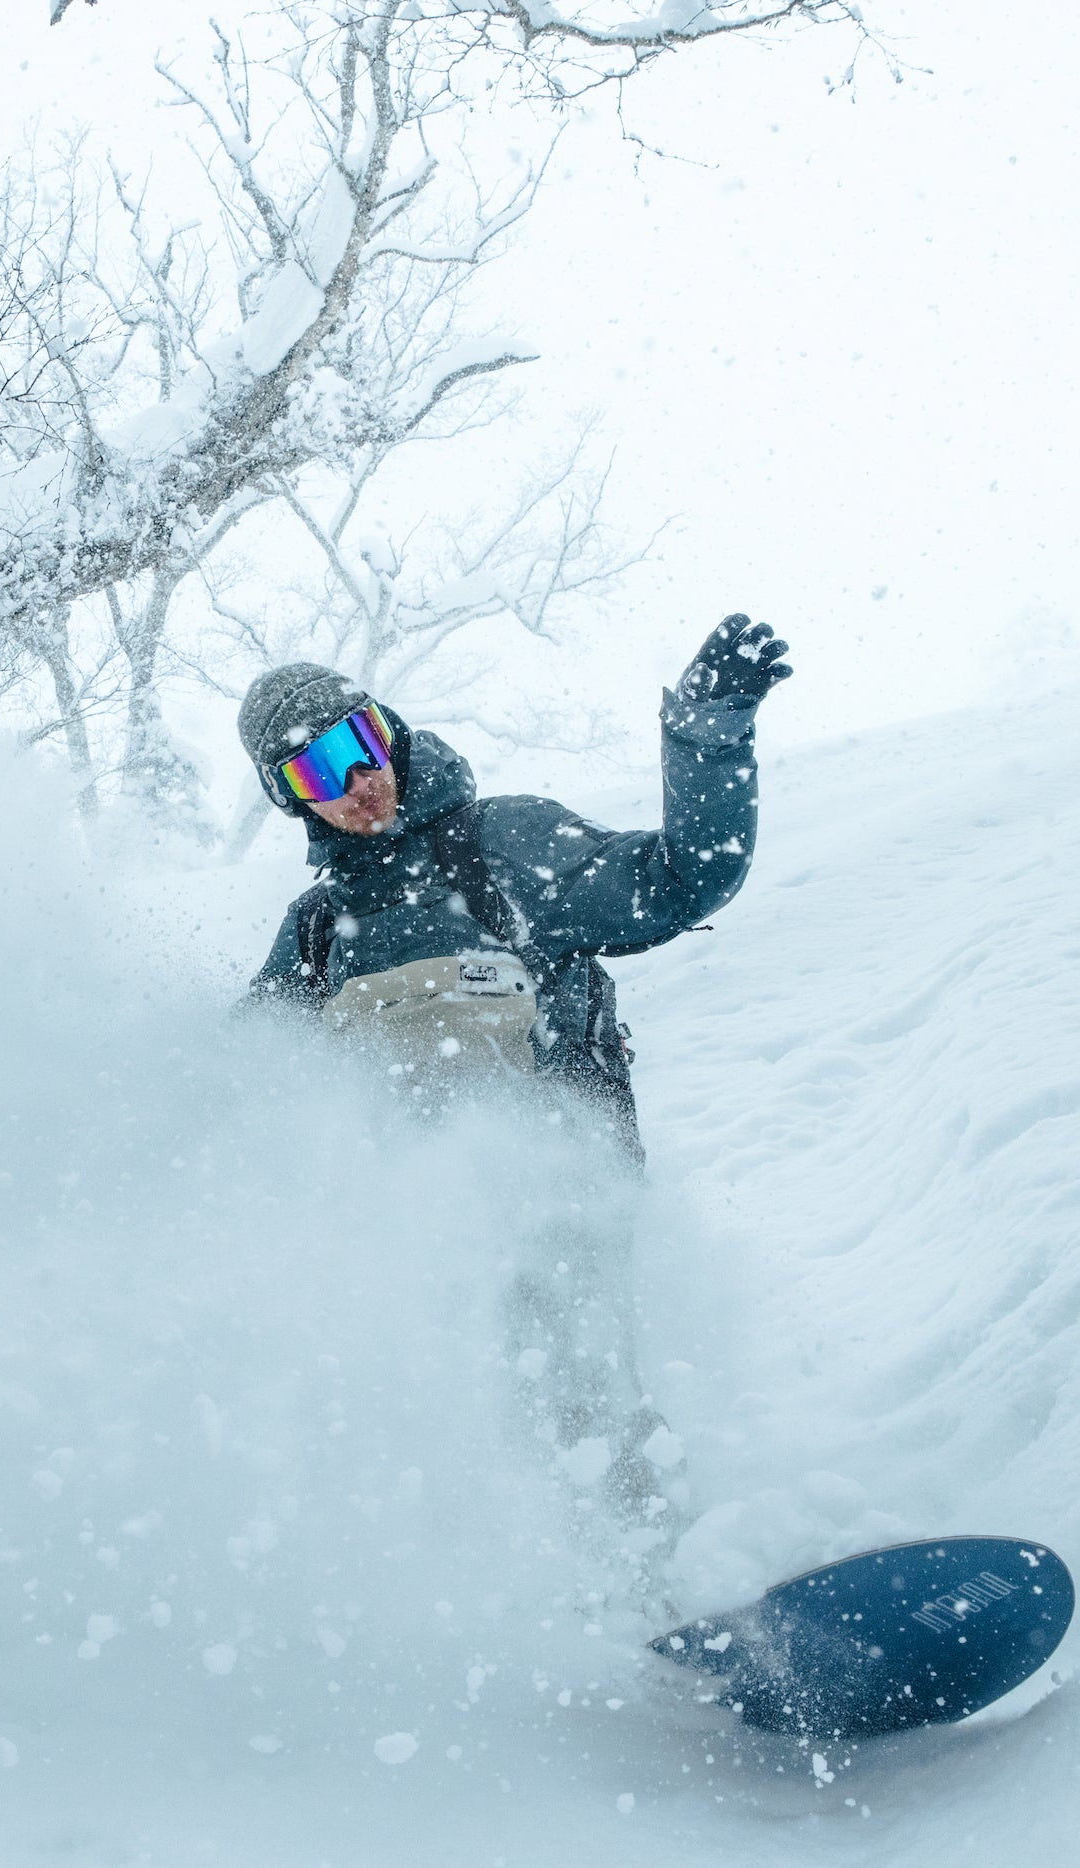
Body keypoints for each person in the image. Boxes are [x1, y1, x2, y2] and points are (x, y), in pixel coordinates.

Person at [235, 614, 791, 1581]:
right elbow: (247, 1081)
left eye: (357, 748)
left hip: (558, 1179)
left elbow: (683, 879)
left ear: (388, 731)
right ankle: (533, 1599)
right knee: (457, 1410)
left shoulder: (502, 847)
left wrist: (707, 733)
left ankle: (672, 1580)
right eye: (315, 775)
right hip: (420, 1218)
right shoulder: (319, 930)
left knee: (579, 1384)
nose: (356, 784)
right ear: (292, 802)